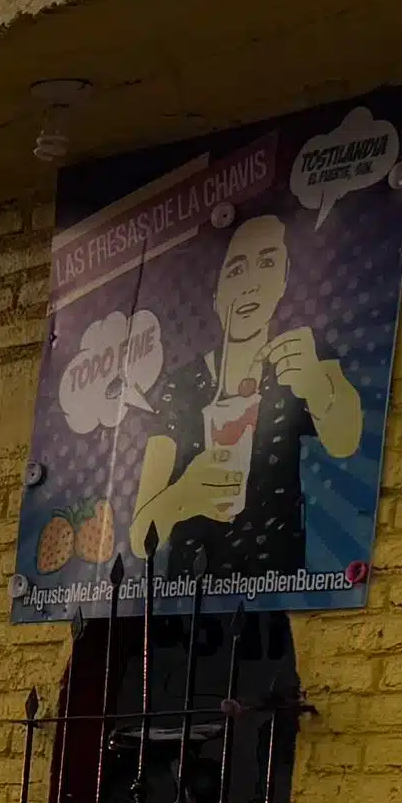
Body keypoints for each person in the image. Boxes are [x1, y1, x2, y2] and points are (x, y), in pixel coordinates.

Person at [131, 213, 362, 584]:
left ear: (284, 281)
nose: (251, 282)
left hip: (274, 591)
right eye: (237, 269)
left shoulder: (301, 354)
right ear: (218, 293)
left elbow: (345, 440)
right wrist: (181, 497)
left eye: (267, 263)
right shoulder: (184, 385)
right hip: (189, 602)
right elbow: (142, 538)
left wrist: (317, 386)